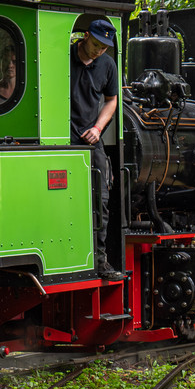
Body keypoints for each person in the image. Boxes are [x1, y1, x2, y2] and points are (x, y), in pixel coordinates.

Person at [72, 19, 124, 281]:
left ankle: (100, 260)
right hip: (61, 136)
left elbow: (112, 100)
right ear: (85, 37)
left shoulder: (108, 65)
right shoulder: (64, 56)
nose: (98, 51)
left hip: (90, 138)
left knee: (100, 198)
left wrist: (98, 128)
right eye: (95, 44)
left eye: (104, 47)